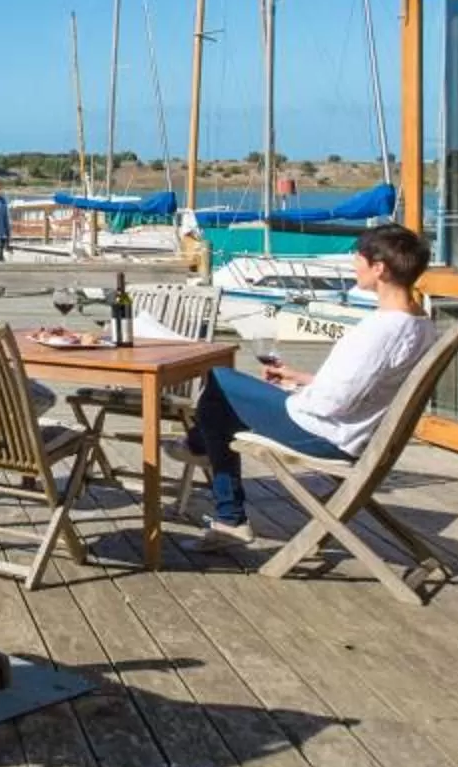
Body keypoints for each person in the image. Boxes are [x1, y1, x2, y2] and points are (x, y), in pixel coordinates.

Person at [181, 224, 440, 551]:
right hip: (344, 427)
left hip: (323, 432)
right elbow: (363, 386)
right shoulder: (419, 324)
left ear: (380, 269)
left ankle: (206, 465)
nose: (353, 264)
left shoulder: (383, 330)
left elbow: (332, 403)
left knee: (218, 381)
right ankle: (206, 459)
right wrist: (300, 378)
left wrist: (294, 395)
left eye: (358, 258)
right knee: (223, 409)